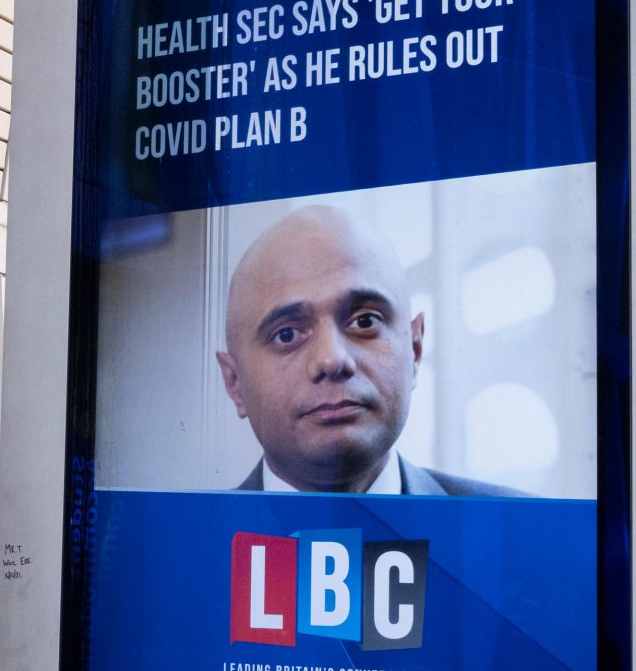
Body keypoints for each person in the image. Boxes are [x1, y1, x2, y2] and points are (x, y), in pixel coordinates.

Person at [216, 206, 516, 495]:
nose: (332, 359)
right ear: (234, 383)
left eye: (365, 321)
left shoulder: (526, 535)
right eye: (286, 334)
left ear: (415, 348)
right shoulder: (184, 543)